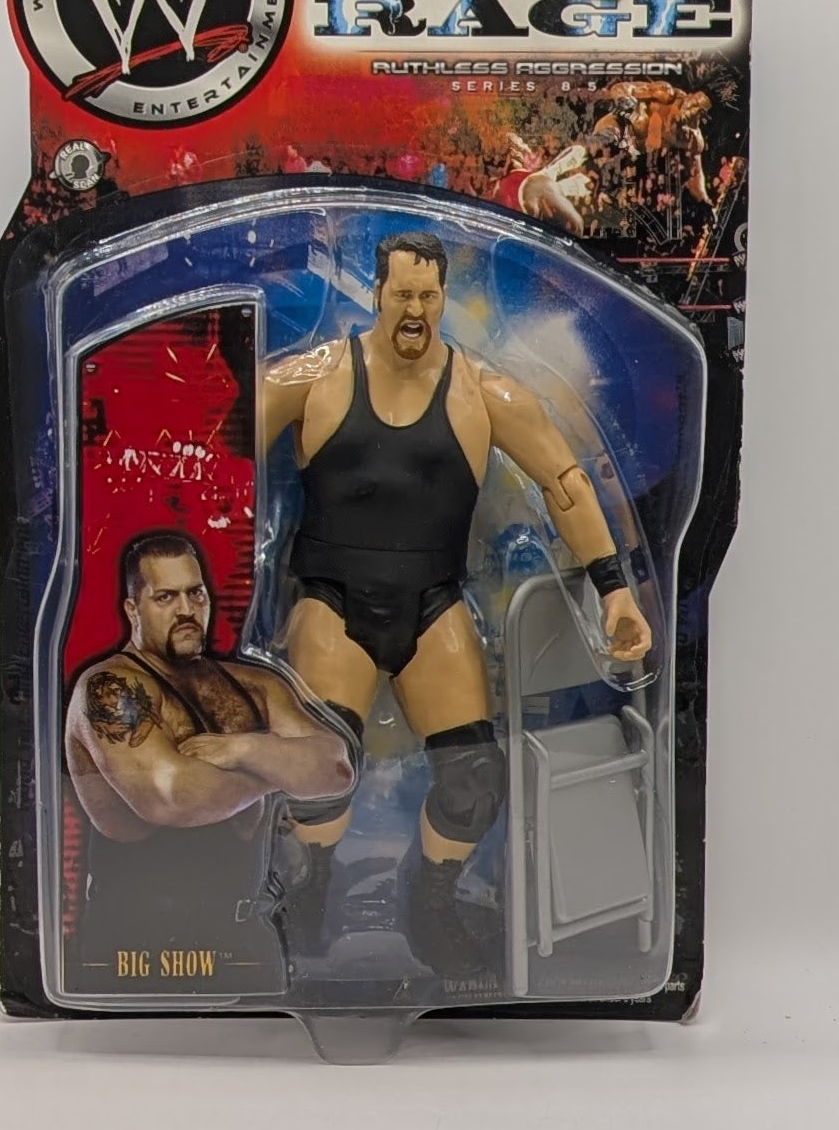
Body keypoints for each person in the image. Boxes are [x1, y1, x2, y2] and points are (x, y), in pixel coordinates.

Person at [262, 232, 652, 976]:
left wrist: (614, 592)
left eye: (427, 296)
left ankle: (430, 898)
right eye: (401, 294)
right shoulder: (313, 379)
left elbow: (564, 483)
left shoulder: (485, 393)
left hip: (434, 603)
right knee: (318, 763)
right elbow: (213, 442)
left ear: (443, 298)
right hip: (331, 600)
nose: (414, 310)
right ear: (376, 293)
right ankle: (306, 889)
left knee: (473, 778)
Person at [64, 529, 353, 991]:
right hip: (136, 953)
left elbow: (335, 770)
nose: (186, 610)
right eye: (165, 597)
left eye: (195, 593)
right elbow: (174, 798)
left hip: (246, 939)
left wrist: (244, 749)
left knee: (268, 1036)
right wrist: (280, 769)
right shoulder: (110, 689)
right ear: (133, 609)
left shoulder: (254, 685)